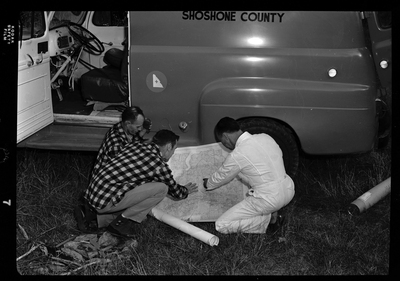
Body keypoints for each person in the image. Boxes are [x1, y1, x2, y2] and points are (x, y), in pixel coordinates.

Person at [83, 129, 198, 238]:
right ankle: (120, 224)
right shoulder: (158, 165)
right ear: (168, 147)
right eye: (174, 149)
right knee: (162, 188)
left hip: (92, 196)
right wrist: (186, 190)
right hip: (104, 203)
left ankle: (97, 218)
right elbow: (176, 192)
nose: (173, 153)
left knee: (139, 202)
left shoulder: (136, 145)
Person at [203, 117, 295, 234]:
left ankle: (269, 220)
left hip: (268, 199)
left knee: (221, 225)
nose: (225, 145)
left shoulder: (238, 154)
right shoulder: (266, 137)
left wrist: (208, 183)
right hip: (289, 189)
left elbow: (221, 176)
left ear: (226, 136)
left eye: (223, 141)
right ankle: (273, 212)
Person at [74, 106, 151, 233]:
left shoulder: (123, 130)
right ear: (127, 123)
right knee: (143, 187)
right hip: (107, 186)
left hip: (107, 182)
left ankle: (95, 213)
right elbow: (124, 172)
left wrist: (142, 134)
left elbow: (133, 145)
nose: (139, 130)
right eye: (138, 127)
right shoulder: (116, 142)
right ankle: (92, 214)